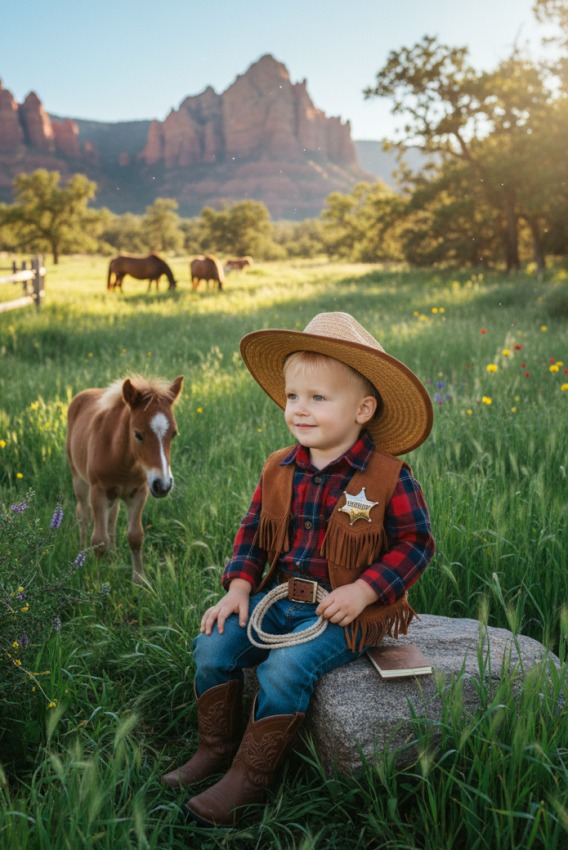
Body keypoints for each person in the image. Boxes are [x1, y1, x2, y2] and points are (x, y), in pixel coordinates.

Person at [161, 312, 435, 827]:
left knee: (285, 669)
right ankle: (215, 749)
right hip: (279, 597)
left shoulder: (389, 477)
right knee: (213, 646)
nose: (299, 409)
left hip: (343, 612)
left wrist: (364, 591)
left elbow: (416, 544)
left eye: (318, 398)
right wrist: (239, 587)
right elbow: (253, 529)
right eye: (292, 396)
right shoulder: (280, 466)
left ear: (363, 409)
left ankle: (250, 777)